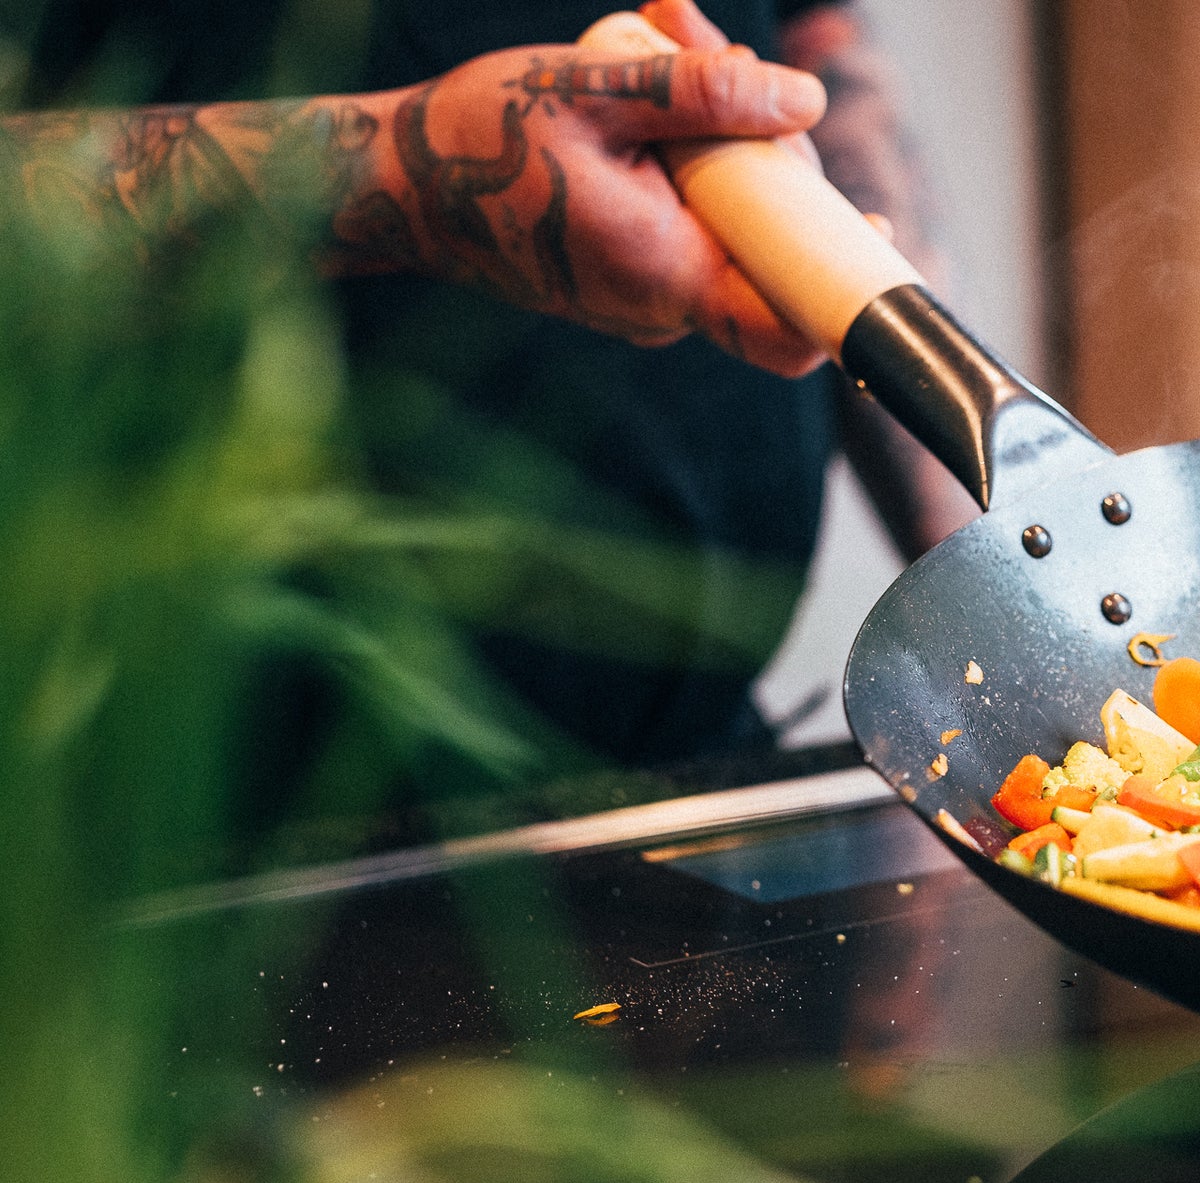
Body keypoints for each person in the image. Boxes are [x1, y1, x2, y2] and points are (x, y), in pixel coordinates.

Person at [1, 0, 973, 771]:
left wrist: (999, 553)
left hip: (691, 769)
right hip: (218, 835)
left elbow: (815, 44)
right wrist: (410, 167)